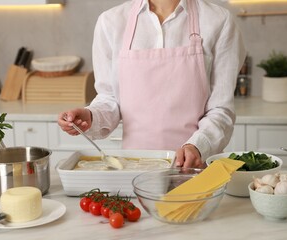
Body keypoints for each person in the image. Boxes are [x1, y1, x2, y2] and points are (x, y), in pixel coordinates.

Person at [58, 0, 246, 168]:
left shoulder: (218, 21)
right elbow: (110, 99)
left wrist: (197, 146)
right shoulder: (111, 22)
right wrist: (90, 115)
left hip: (193, 170)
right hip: (132, 169)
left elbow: (221, 109)